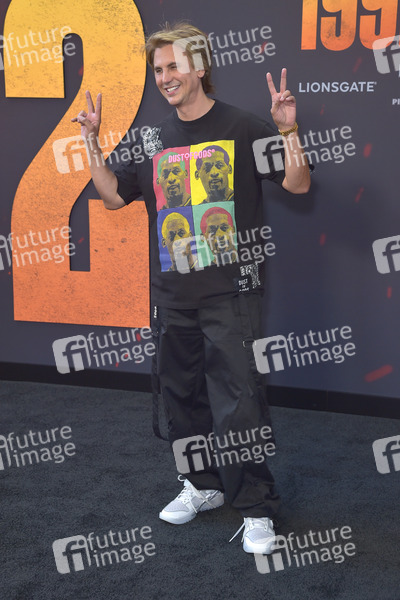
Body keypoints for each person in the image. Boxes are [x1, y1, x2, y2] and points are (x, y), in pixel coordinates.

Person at [72, 21, 311, 555]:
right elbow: (112, 196)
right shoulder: (151, 139)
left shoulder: (244, 126)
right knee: (182, 398)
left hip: (231, 295)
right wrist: (90, 140)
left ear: (200, 67)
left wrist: (289, 130)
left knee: (238, 404)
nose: (165, 78)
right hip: (171, 297)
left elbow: (298, 184)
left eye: (174, 66)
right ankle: (202, 485)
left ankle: (256, 508)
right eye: (158, 70)